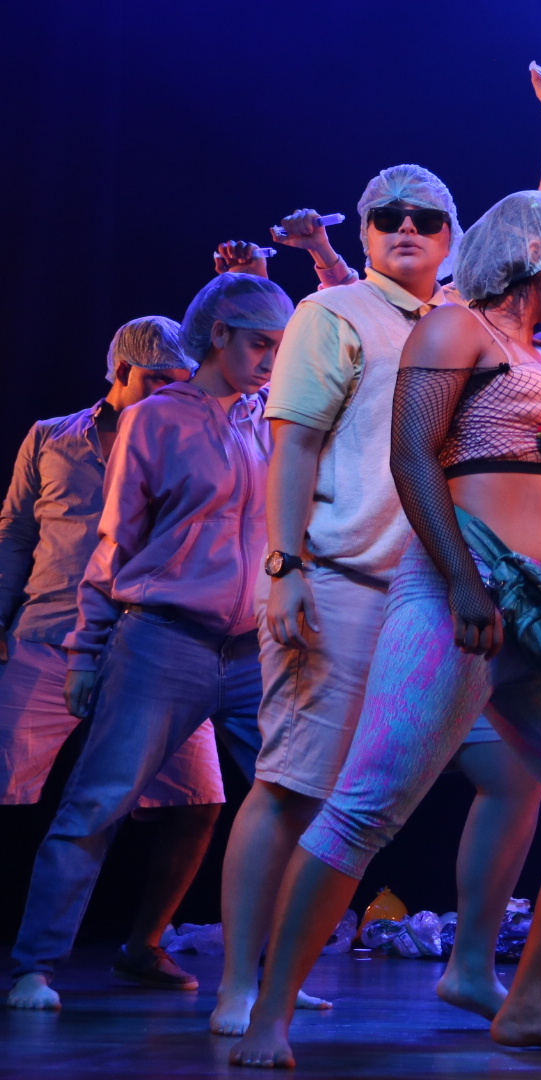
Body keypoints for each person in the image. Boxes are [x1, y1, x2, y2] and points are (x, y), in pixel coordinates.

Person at [212, 60, 541, 1035]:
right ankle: (242, 988)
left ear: (458, 237)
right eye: (386, 217)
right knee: (297, 787)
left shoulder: (470, 320)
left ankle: (471, 966)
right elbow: (293, 445)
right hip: (352, 582)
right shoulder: (333, 312)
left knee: (513, 776)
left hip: (450, 590)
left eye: (427, 218)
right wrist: (284, 568)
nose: (405, 230)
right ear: (363, 229)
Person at [6, 275, 291, 1012]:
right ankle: (35, 967)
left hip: (249, 651)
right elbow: (114, 543)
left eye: (280, 346)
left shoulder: (270, 419)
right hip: (161, 642)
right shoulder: (156, 420)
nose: (271, 360)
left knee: (296, 796)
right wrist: (85, 652)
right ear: (218, 335)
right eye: (259, 343)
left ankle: (278, 971)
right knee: (96, 804)